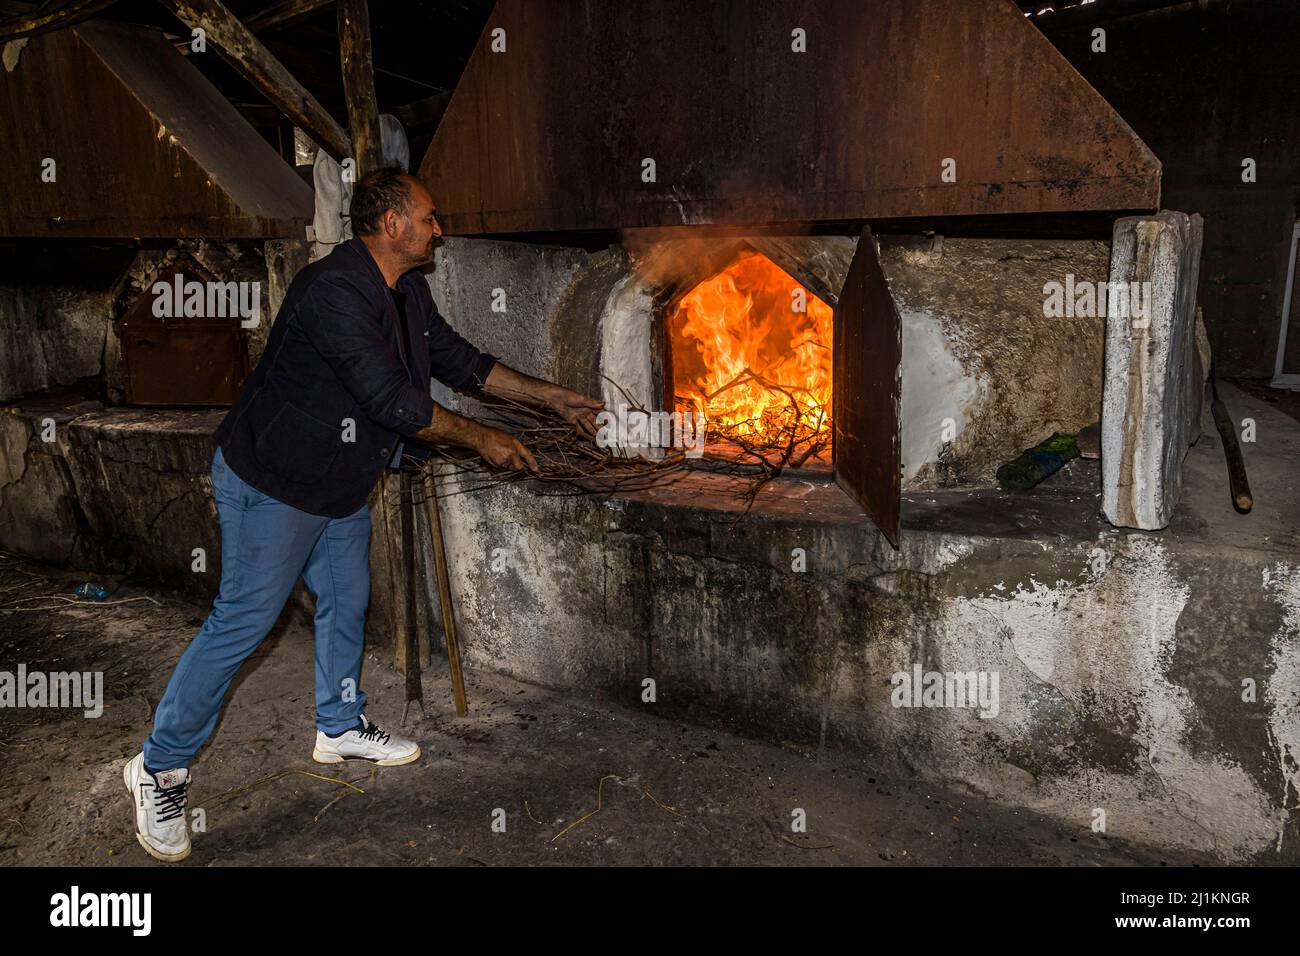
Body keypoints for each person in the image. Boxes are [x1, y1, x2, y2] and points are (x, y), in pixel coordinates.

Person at [124, 167, 603, 862]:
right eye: (429, 217)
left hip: (340, 483)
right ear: (390, 225)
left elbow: (458, 360)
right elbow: (393, 402)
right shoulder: (332, 293)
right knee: (242, 624)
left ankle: (339, 725)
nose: (439, 228)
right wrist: (483, 439)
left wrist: (548, 398)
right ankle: (159, 768)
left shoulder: (406, 288)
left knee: (346, 601)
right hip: (275, 481)